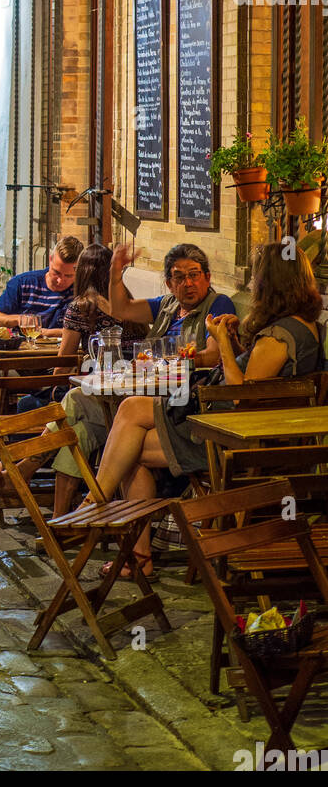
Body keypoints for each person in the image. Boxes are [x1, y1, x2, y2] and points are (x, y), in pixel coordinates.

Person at [88, 243, 325, 581]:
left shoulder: (278, 336)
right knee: (129, 418)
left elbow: (242, 397)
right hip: (236, 431)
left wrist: (225, 345)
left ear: (270, 283)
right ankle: (110, 523)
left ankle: (102, 515)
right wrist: (238, 344)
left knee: (131, 443)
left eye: (258, 276)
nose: (254, 282)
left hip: (227, 439)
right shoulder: (302, 327)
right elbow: (259, 383)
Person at [2, 244, 149, 512]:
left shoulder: (82, 306)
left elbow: (63, 364)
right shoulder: (130, 305)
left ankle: (28, 465)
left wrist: (49, 389)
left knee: (56, 400)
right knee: (76, 435)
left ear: (81, 273)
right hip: (130, 397)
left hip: (114, 403)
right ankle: (61, 521)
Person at [0, 236, 85, 441]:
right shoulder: (25, 283)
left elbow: (86, 330)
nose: (60, 280)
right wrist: (17, 319)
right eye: (56, 272)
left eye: (68, 275)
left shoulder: (81, 292)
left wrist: (47, 332)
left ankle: (33, 451)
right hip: (18, 364)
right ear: (50, 259)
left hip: (58, 369)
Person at [107, 241, 235, 365]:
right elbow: (121, 309)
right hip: (153, 377)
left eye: (194, 275)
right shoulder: (167, 304)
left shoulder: (218, 304)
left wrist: (170, 362)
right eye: (179, 277)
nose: (188, 283)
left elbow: (214, 356)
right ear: (169, 285)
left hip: (187, 382)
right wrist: (115, 273)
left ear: (207, 278)